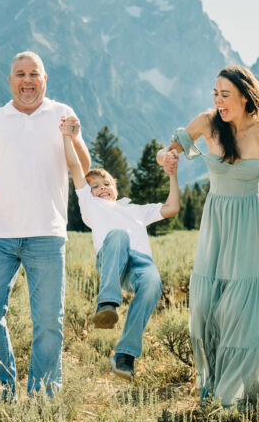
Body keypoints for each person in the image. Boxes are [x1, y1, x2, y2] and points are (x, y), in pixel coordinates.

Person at [0, 51, 90, 402]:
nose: (27, 80)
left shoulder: (63, 115)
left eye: (34, 73)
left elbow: (83, 168)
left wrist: (73, 136)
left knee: (48, 320)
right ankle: (1, 394)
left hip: (47, 233)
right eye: (20, 74)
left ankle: (43, 397)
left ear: (45, 79)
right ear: (10, 80)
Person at [157, 66, 259, 407]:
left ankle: (234, 395)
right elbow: (169, 149)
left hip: (248, 221)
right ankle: (211, 384)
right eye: (215, 94)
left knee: (240, 309)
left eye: (225, 94)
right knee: (205, 305)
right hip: (215, 220)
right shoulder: (206, 122)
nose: (218, 101)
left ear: (245, 96)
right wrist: (165, 157)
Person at [61, 120, 180, 382]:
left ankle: (125, 356)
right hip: (113, 258)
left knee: (152, 283)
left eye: (105, 184)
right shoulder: (90, 206)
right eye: (95, 186)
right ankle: (107, 304)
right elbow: (74, 167)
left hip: (140, 264)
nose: (101, 188)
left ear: (115, 187)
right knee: (118, 235)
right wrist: (67, 137)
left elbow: (171, 208)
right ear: (88, 193)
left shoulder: (134, 209)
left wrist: (172, 173)